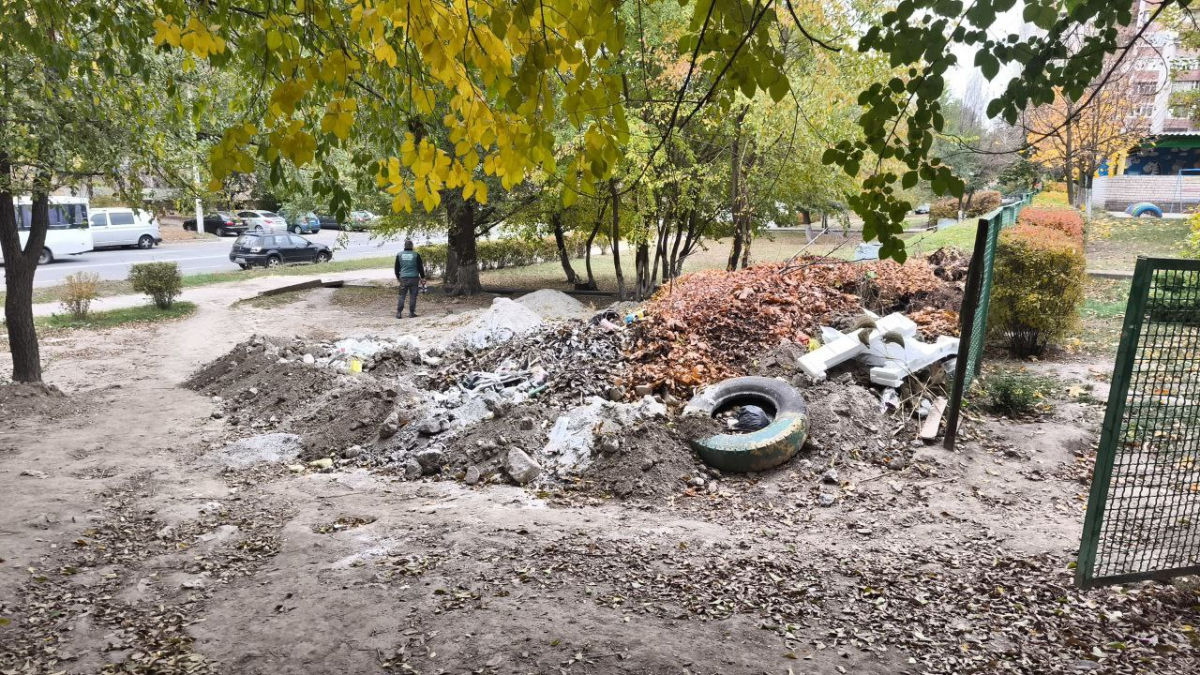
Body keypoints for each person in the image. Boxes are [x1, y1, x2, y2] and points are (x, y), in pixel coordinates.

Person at [394, 239, 425, 318]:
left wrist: (398, 277)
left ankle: (399, 313)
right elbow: (420, 267)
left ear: (404, 246)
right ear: (412, 246)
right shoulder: (416, 255)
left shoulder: (399, 255)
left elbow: (396, 268)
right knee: (413, 296)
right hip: (414, 278)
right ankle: (411, 312)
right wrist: (423, 277)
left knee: (402, 295)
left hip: (403, 278)